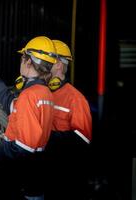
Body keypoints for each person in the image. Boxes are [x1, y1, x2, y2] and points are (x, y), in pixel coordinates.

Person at [0, 36, 57, 200]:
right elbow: (11, 104)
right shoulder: (44, 92)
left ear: (28, 62)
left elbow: (22, 148)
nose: (21, 62)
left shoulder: (29, 96)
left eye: (22, 58)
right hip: (35, 175)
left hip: (23, 177)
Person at [45, 40, 92, 200]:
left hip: (64, 179)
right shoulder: (39, 91)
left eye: (47, 60)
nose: (41, 64)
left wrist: (45, 137)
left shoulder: (76, 99)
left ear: (58, 64)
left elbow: (82, 139)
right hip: (41, 174)